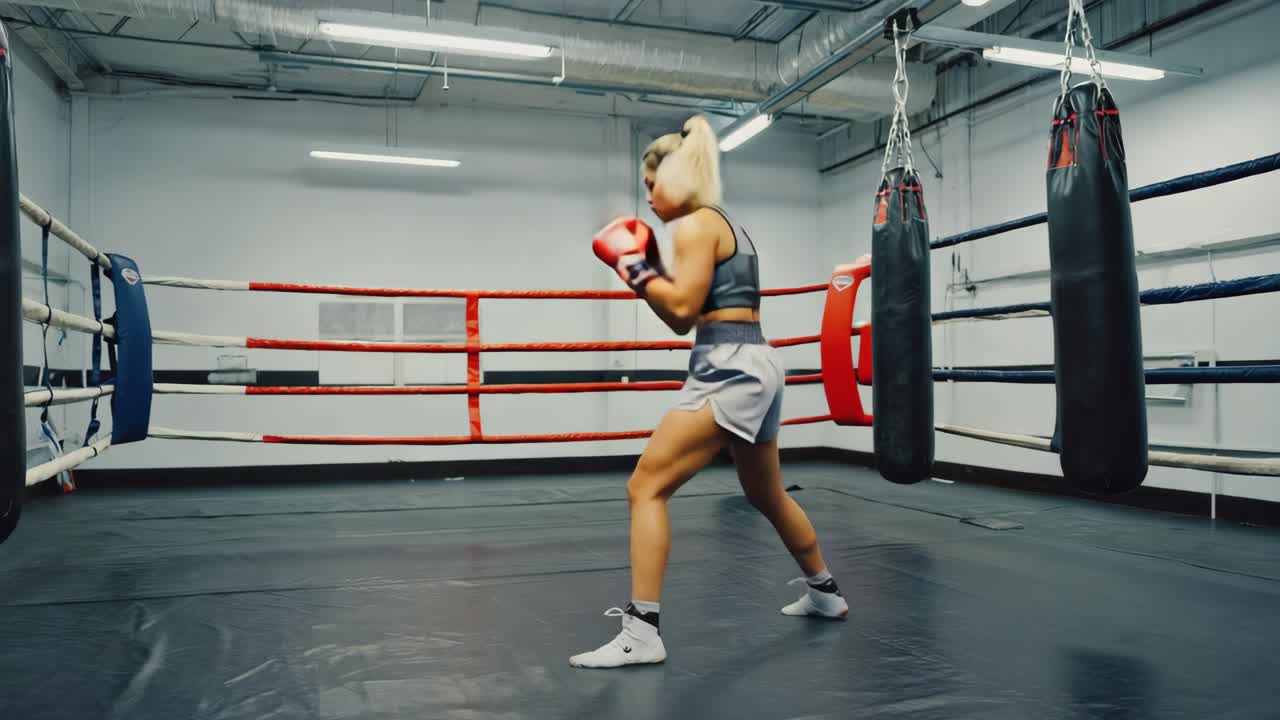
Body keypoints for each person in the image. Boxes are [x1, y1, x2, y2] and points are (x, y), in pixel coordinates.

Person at [573, 115, 847, 669]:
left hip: (729, 366)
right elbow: (697, 304)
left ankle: (642, 631)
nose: (647, 196)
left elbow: (680, 314)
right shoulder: (729, 225)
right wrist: (650, 269)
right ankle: (825, 592)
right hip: (755, 359)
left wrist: (633, 267)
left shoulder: (695, 225)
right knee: (765, 494)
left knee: (645, 486)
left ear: (678, 177)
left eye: (652, 182)